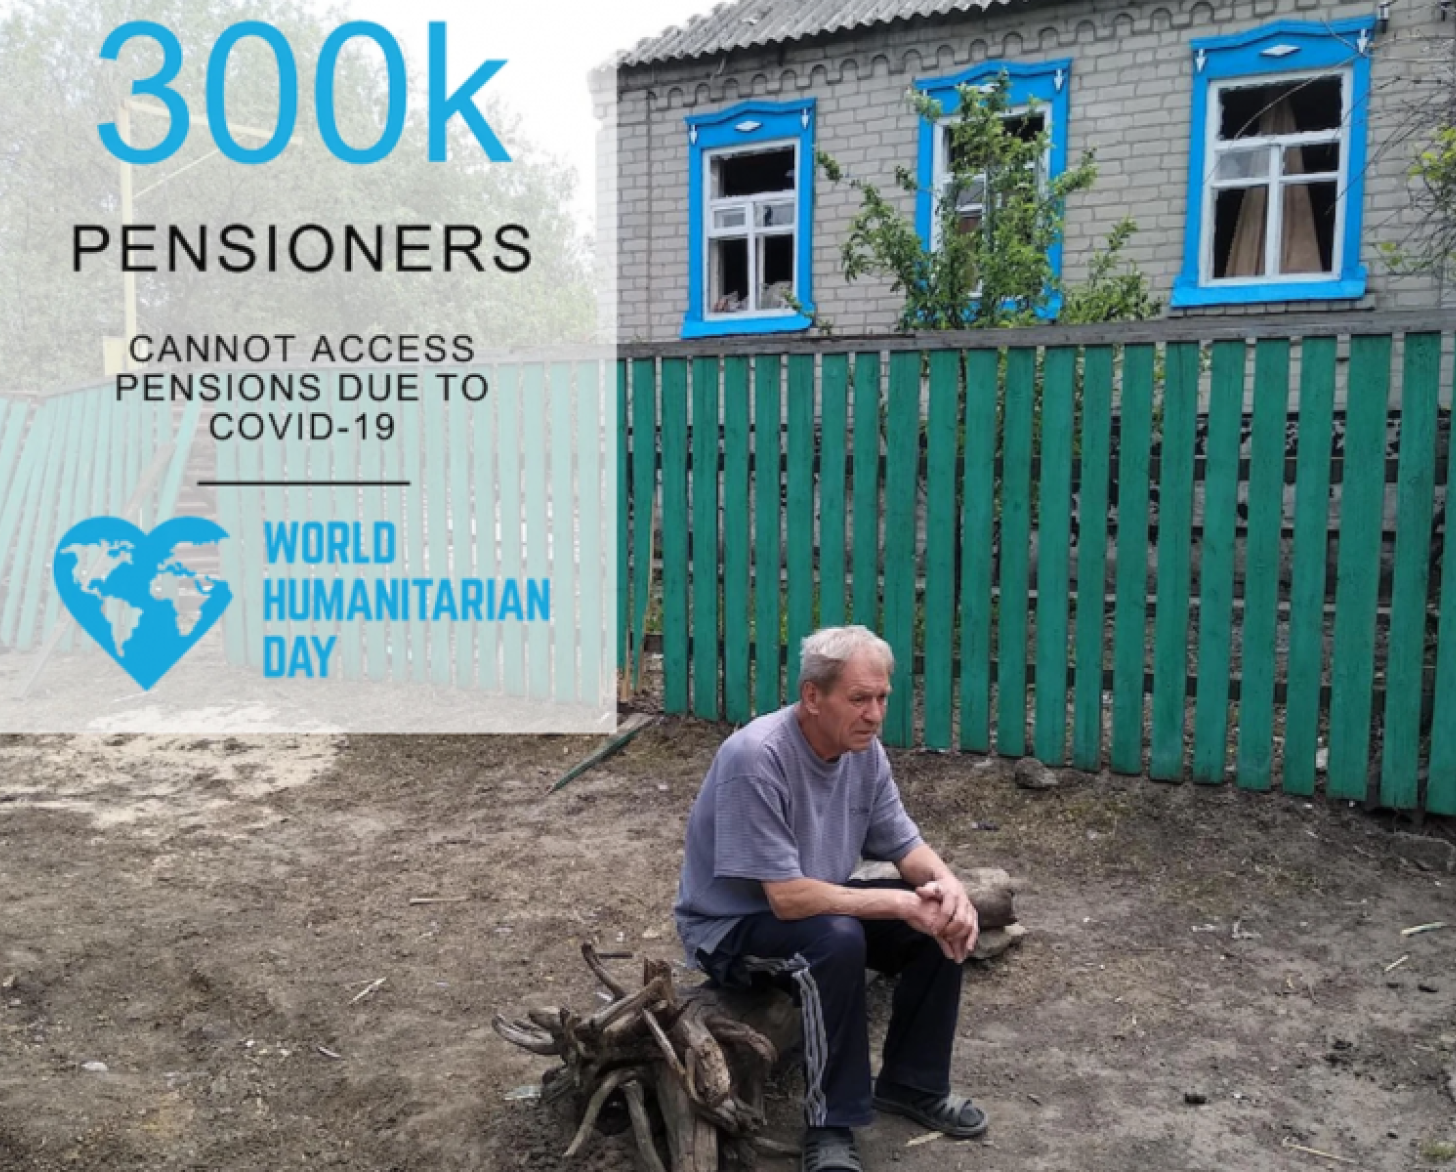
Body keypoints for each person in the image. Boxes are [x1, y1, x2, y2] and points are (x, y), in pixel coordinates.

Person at [674, 625, 986, 1172]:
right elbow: (787, 899)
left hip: (812, 909)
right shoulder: (757, 757)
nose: (875, 714)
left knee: (934, 917)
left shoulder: (863, 752)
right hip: (731, 930)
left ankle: (913, 1084)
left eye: (882, 697)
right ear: (813, 696)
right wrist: (900, 905)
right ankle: (830, 1123)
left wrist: (950, 888)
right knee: (838, 940)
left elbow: (906, 846)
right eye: (860, 698)